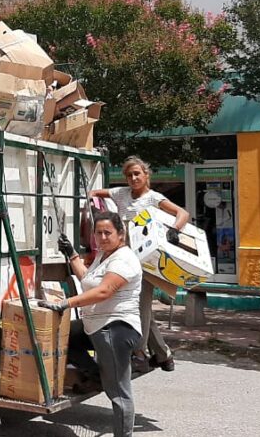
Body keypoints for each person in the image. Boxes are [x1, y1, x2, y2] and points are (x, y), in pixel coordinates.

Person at [43, 211, 142, 437]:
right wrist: (72, 254)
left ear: (121, 234)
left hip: (116, 328)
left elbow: (103, 291)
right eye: (99, 233)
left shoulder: (123, 259)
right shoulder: (104, 256)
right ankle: (97, 376)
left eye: (108, 232)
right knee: (64, 337)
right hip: (95, 326)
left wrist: (66, 303)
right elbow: (88, 279)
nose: (103, 237)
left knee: (119, 392)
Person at [90, 156, 189, 373]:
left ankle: (140, 353)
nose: (133, 178)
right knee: (143, 309)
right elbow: (95, 193)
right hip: (124, 260)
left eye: (137, 174)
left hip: (146, 263)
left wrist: (175, 230)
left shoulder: (153, 198)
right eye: (129, 175)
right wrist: (92, 205)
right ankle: (163, 355)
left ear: (146, 175)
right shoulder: (121, 193)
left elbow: (182, 213)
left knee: (140, 307)